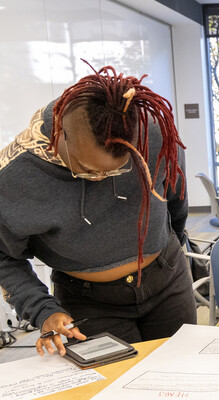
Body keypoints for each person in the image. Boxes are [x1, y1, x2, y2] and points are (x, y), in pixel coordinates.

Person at [0, 61, 196, 357]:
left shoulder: (151, 132)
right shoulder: (14, 178)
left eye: (118, 170)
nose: (102, 178)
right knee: (115, 388)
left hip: (167, 280)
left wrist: (171, 248)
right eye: (89, 170)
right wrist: (42, 310)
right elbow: (4, 258)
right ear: (60, 135)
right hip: (89, 302)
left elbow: (175, 195)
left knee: (184, 374)